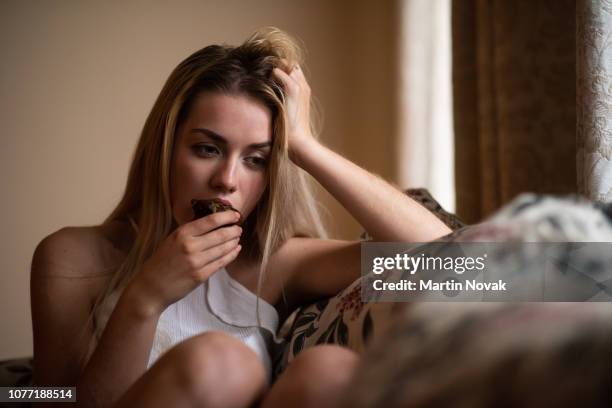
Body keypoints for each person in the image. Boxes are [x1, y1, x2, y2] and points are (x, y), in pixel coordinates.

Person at [30, 27, 451, 408]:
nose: (227, 181)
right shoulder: (72, 257)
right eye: (207, 149)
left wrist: (305, 147)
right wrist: (145, 299)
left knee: (329, 372)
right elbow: (48, 397)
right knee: (220, 363)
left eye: (256, 160)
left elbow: (454, 258)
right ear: (166, 150)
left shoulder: (276, 263)